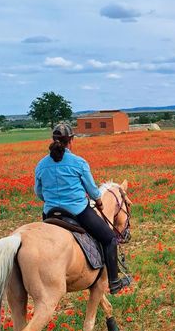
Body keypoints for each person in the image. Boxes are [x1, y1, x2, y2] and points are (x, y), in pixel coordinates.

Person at [34, 123, 132, 294]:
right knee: (109, 239)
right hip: (77, 212)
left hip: (50, 213)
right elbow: (93, 191)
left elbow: (39, 193)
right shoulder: (78, 163)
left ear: (53, 140)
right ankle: (114, 282)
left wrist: (52, 199)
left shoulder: (41, 165)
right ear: (71, 141)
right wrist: (99, 201)